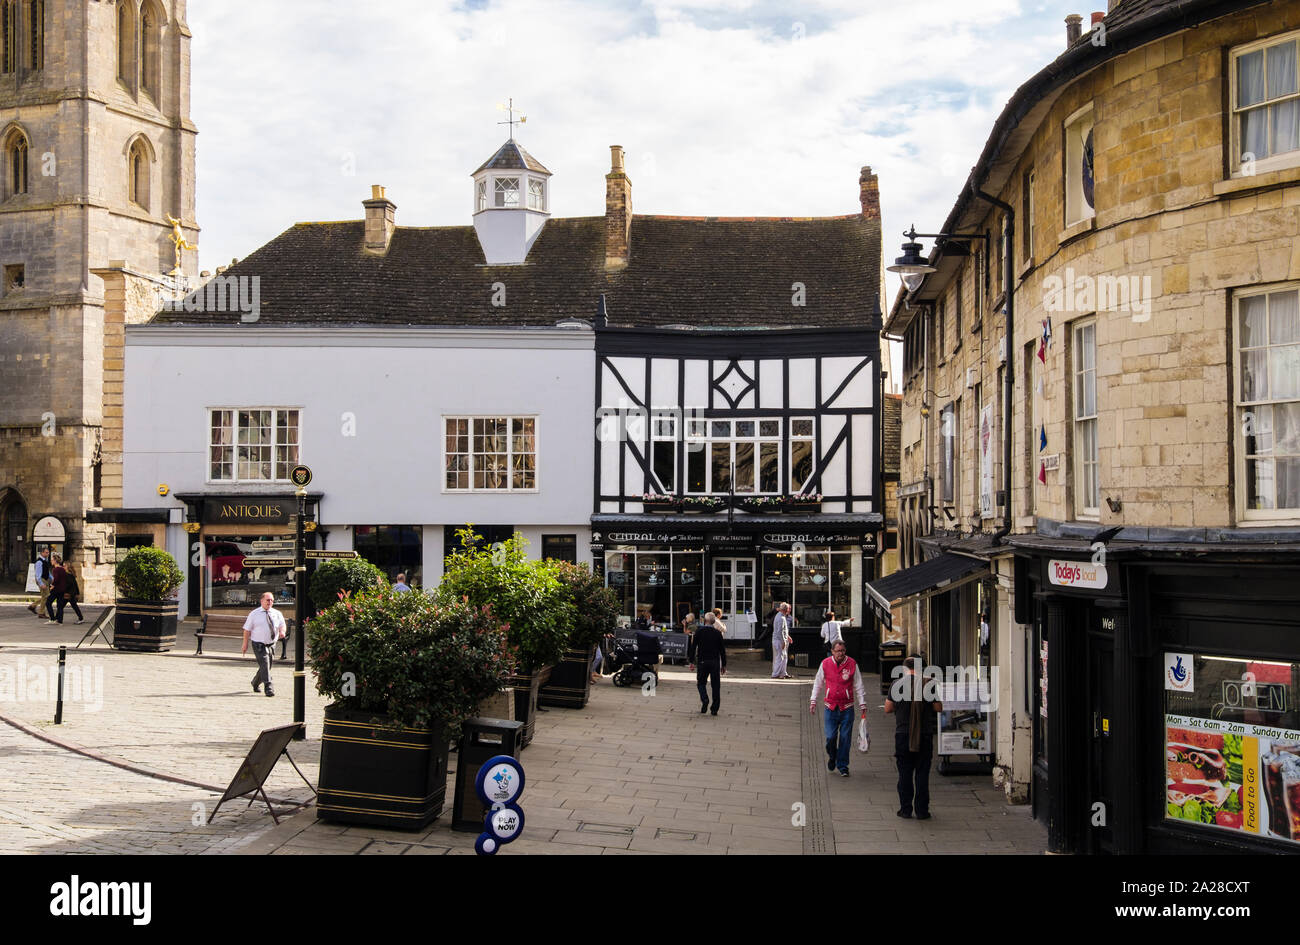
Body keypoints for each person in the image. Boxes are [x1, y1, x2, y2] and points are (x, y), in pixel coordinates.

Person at [884, 655, 943, 820]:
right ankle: (922, 811)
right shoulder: (928, 684)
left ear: (905, 668)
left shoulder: (897, 684)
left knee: (904, 773)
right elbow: (938, 708)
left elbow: (887, 708)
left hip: (903, 734)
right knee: (922, 774)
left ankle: (905, 809)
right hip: (924, 735)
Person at [809, 639, 867, 777]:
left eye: (842, 651)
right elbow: (818, 683)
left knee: (845, 738)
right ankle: (832, 756)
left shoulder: (852, 664)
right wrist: (813, 701)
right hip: (830, 707)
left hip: (847, 707)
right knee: (830, 737)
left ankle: (843, 766)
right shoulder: (825, 664)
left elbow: (858, 684)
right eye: (837, 651)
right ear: (832, 652)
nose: (840, 653)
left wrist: (862, 703)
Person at [242, 591, 287, 697]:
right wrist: (245, 644)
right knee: (265, 663)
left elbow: (282, 625)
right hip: (258, 644)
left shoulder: (277, 613)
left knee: (266, 666)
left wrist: (282, 631)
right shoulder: (254, 614)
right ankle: (268, 687)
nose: (270, 602)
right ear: (261, 601)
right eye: (268, 600)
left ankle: (255, 682)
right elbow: (247, 630)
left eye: (272, 600)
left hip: (271, 643)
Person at [688, 612, 727, 716]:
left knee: (701, 682)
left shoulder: (699, 632)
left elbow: (693, 647)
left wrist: (691, 661)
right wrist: (724, 665)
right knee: (716, 686)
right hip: (714, 661)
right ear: (714, 622)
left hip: (702, 661)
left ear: (705, 621)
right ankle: (714, 709)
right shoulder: (717, 633)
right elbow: (722, 650)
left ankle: (704, 699)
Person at [771, 602, 793, 679]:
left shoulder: (780, 616)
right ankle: (775, 674)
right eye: (788, 609)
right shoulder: (781, 618)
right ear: (785, 610)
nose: (789, 610)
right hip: (779, 640)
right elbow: (779, 631)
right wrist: (783, 641)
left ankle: (783, 673)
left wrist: (788, 637)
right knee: (780, 657)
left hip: (780, 639)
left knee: (784, 657)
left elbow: (783, 630)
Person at [29, 546, 51, 618]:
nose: (48, 554)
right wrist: (41, 583)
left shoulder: (45, 561)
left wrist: (52, 578)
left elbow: (47, 572)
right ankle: (41, 613)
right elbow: (38, 574)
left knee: (45, 596)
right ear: (42, 553)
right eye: (46, 552)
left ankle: (33, 606)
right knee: (46, 596)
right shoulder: (39, 562)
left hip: (45, 579)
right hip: (42, 579)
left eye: (48, 552)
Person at [45, 554, 66, 625]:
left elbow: (56, 579)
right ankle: (60, 620)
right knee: (60, 605)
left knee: (48, 603)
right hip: (62, 589)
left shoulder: (55, 569)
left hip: (56, 589)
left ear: (55, 561)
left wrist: (52, 585)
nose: (51, 561)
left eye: (52, 560)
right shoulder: (63, 569)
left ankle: (52, 618)